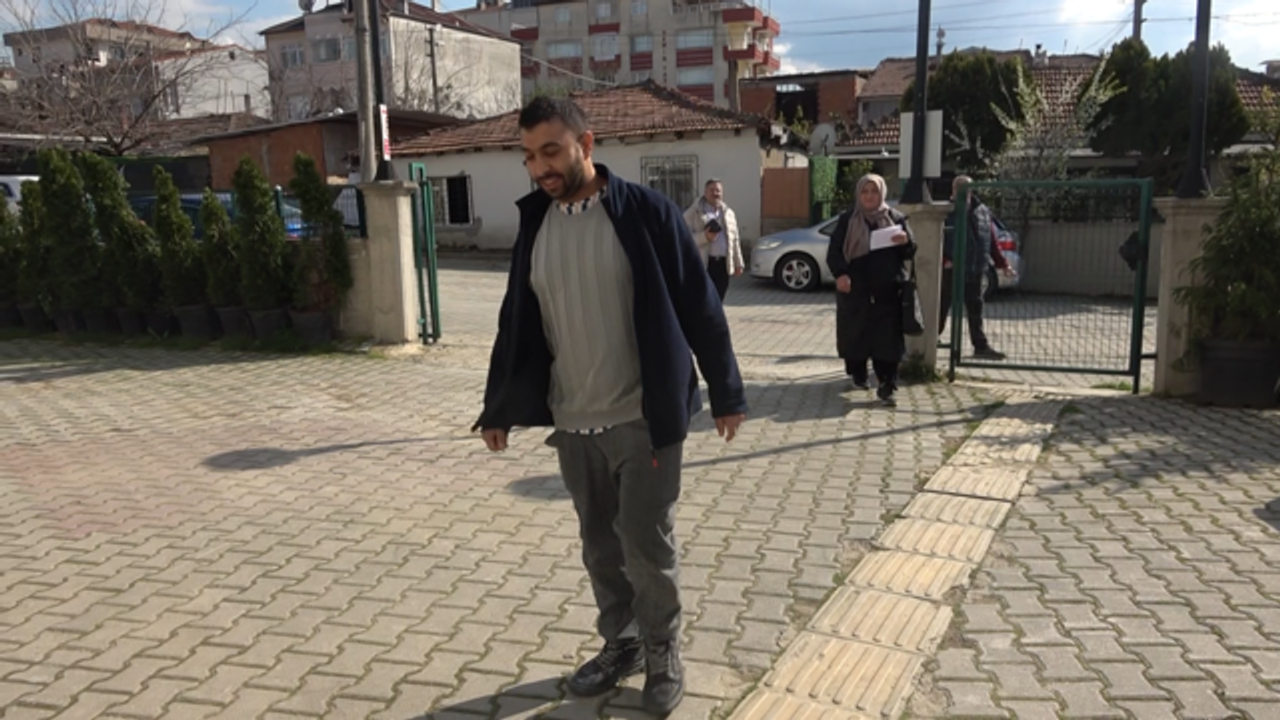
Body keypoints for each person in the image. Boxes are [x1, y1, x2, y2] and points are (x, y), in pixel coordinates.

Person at [473, 96, 748, 716]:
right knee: (600, 546)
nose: (539, 167)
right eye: (528, 156)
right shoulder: (535, 224)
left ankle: (662, 650)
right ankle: (622, 643)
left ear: (587, 144)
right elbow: (516, 321)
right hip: (573, 421)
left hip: (643, 418)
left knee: (647, 548)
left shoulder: (645, 213)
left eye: (551, 151)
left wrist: (727, 392)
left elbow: (699, 304)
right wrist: (498, 408)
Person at [825, 173, 916, 407]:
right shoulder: (848, 220)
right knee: (856, 336)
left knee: (888, 340)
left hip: (888, 292)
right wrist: (841, 274)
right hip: (856, 291)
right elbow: (834, 252)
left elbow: (909, 252)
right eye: (865, 192)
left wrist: (905, 240)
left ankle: (887, 384)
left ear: (881, 193)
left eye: (874, 191)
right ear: (859, 194)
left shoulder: (895, 218)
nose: (869, 196)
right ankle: (858, 373)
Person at [941, 175, 1016, 360]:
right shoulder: (945, 211)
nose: (963, 192)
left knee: (975, 307)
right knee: (942, 306)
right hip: (951, 269)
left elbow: (991, 241)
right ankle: (929, 339)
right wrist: (944, 260)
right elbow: (936, 238)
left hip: (975, 268)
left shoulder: (982, 211)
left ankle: (980, 346)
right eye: (958, 188)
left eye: (966, 188)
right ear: (953, 190)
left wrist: (1003, 264)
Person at [683, 178, 743, 302]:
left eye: (718, 190)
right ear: (705, 192)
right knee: (704, 299)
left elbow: (735, 240)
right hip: (704, 263)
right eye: (712, 190)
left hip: (723, 264)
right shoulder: (693, 213)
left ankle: (716, 314)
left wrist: (738, 263)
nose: (715, 193)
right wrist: (704, 237)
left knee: (719, 298)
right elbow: (683, 239)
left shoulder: (728, 213)